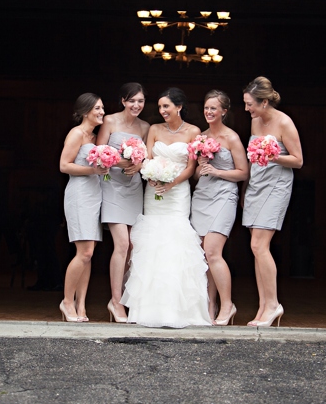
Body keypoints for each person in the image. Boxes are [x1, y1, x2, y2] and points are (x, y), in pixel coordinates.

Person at [121, 87, 212, 328]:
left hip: (178, 193)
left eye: (166, 106)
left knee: (176, 240)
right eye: (160, 107)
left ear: (179, 107)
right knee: (153, 241)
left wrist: (172, 182)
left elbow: (191, 168)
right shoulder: (154, 129)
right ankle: (147, 308)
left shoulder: (193, 131)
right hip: (154, 192)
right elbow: (147, 157)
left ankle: (179, 309)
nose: (162, 111)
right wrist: (151, 175)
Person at [242, 77, 303, 327]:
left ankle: (274, 304)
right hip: (257, 183)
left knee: (260, 245)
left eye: (250, 104)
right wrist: (246, 189)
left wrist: (273, 155)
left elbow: (298, 160)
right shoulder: (256, 120)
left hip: (277, 184)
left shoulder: (284, 122)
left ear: (264, 102)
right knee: (255, 247)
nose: (247, 109)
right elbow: (250, 158)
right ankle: (263, 306)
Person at [190, 90, 248, 325]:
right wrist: (201, 165)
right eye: (206, 107)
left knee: (213, 251)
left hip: (224, 197)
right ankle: (209, 304)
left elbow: (243, 172)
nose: (209, 112)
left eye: (214, 108)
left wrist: (217, 171)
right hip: (202, 196)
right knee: (204, 255)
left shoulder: (231, 137)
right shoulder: (200, 137)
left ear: (224, 111)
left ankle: (227, 305)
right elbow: (195, 175)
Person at [97, 82, 150, 323]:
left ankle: (128, 299)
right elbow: (98, 154)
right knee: (121, 243)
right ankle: (115, 301)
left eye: (140, 101)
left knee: (132, 247)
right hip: (112, 185)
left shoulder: (145, 127)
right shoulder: (109, 121)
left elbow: (147, 157)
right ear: (123, 101)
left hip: (133, 188)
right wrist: (118, 161)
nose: (136, 105)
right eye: (132, 101)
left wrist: (138, 164)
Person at [58, 93, 108, 322]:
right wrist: (93, 171)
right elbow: (64, 165)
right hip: (79, 194)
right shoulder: (77, 133)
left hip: (94, 194)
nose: (101, 112)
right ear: (85, 111)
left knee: (89, 254)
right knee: (84, 252)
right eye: (97, 108)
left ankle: (81, 306)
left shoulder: (95, 136)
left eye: (102, 108)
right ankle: (67, 301)